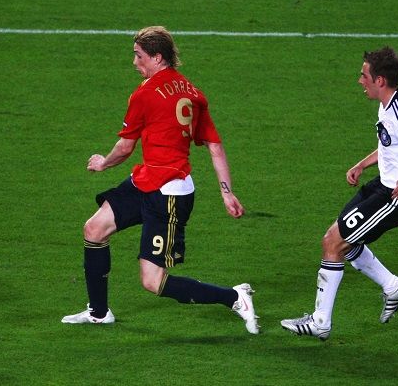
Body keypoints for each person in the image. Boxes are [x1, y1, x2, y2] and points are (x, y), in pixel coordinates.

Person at [61, 26, 259, 334]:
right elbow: (215, 146)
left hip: (168, 194)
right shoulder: (193, 93)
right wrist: (226, 192)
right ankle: (99, 312)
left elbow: (125, 148)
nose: (135, 63)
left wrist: (102, 163)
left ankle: (234, 297)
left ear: (156, 57)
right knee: (94, 228)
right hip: (146, 181)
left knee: (152, 281)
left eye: (139, 56)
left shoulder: (145, 93)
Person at [280, 46, 398, 340]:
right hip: (382, 185)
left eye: (364, 75)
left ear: (380, 80)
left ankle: (320, 322)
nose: (360, 80)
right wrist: (362, 164)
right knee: (339, 240)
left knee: (333, 242)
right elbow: (392, 145)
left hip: (396, 197)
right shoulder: (388, 104)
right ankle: (393, 286)